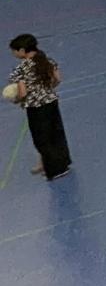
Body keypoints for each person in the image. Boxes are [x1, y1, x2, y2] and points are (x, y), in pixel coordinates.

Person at [8, 33, 71, 180]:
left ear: (22, 50)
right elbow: (57, 79)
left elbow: (23, 93)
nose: (14, 54)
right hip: (51, 103)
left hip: (36, 108)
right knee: (56, 134)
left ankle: (54, 170)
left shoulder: (22, 69)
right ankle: (63, 164)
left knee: (42, 139)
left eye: (15, 51)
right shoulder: (47, 61)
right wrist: (47, 90)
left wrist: (17, 100)